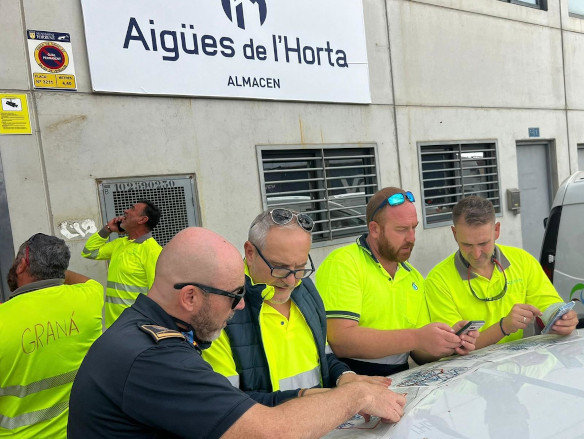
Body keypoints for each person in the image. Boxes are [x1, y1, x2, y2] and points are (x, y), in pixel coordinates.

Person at [68, 227, 406, 439]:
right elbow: (269, 432)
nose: (241, 307)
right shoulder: (154, 358)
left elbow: (235, 407)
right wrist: (356, 397)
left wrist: (309, 396)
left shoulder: (147, 332)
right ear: (190, 296)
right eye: (234, 296)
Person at [202, 209, 390, 406]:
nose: (291, 281)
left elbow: (324, 356)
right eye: (280, 268)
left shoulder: (306, 289)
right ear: (250, 253)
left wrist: (344, 376)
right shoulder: (222, 310)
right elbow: (227, 404)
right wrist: (308, 398)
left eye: (300, 268)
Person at [315, 187, 477, 377]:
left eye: (414, 228)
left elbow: (419, 354)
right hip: (348, 379)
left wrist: (447, 343)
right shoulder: (344, 262)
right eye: (401, 229)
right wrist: (417, 337)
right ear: (374, 229)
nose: (411, 238)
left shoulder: (413, 276)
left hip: (398, 379)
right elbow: (341, 341)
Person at [425, 195, 578, 349]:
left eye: (483, 243)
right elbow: (456, 347)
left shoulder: (522, 260)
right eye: (467, 245)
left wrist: (563, 319)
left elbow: (548, 305)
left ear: (496, 230)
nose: (476, 254)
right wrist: (503, 327)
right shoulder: (438, 280)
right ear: (454, 233)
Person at [0, 233, 103, 438]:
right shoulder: (90, 298)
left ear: (21, 265)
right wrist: (54, 266)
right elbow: (87, 281)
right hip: (78, 430)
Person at [81, 200, 162, 327]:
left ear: (142, 219)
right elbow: (89, 252)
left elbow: (158, 294)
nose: (126, 211)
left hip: (136, 327)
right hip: (113, 325)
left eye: (132, 209)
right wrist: (107, 229)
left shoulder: (152, 251)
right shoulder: (120, 244)